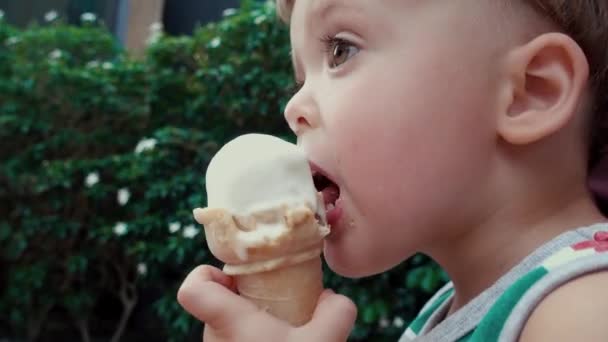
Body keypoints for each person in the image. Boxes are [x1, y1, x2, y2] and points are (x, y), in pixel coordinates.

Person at [177, 0, 608, 340]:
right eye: (300, 79)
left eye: (340, 50)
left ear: (530, 92)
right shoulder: (449, 311)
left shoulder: (584, 312)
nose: (294, 108)